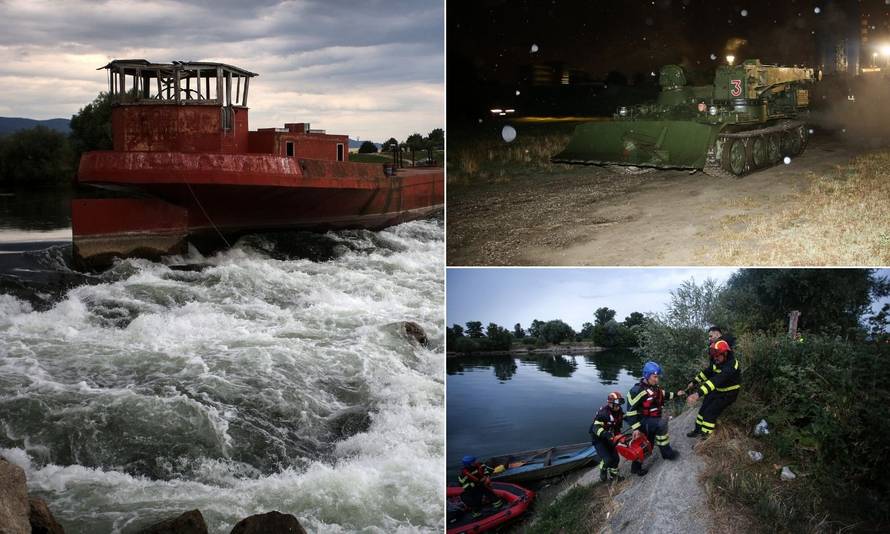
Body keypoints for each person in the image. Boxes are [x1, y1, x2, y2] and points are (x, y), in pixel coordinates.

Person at [678, 326, 742, 439]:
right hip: (718, 390)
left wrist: (698, 394)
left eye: (717, 356)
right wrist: (694, 381)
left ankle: (705, 438)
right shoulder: (717, 359)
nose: (715, 358)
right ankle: (697, 430)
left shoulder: (731, 365)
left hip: (728, 393)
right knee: (703, 409)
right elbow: (708, 372)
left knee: (710, 413)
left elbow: (716, 380)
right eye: (714, 356)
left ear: (725, 354)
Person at [626, 361, 679, 476]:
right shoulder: (637, 391)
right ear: (647, 375)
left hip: (652, 420)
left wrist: (677, 394)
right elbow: (630, 411)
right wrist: (635, 428)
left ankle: (635, 467)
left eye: (657, 377)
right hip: (644, 421)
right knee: (661, 425)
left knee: (647, 444)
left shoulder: (654, 387)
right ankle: (667, 453)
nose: (657, 379)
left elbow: (663, 394)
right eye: (655, 377)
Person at [589, 391, 626, 482]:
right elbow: (595, 427)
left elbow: (617, 427)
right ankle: (603, 469)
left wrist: (619, 437)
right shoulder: (603, 413)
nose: (618, 407)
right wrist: (605, 434)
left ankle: (614, 476)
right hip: (599, 439)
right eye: (616, 405)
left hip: (609, 437)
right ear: (610, 403)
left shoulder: (619, 412)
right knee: (607, 460)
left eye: (619, 405)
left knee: (616, 459)